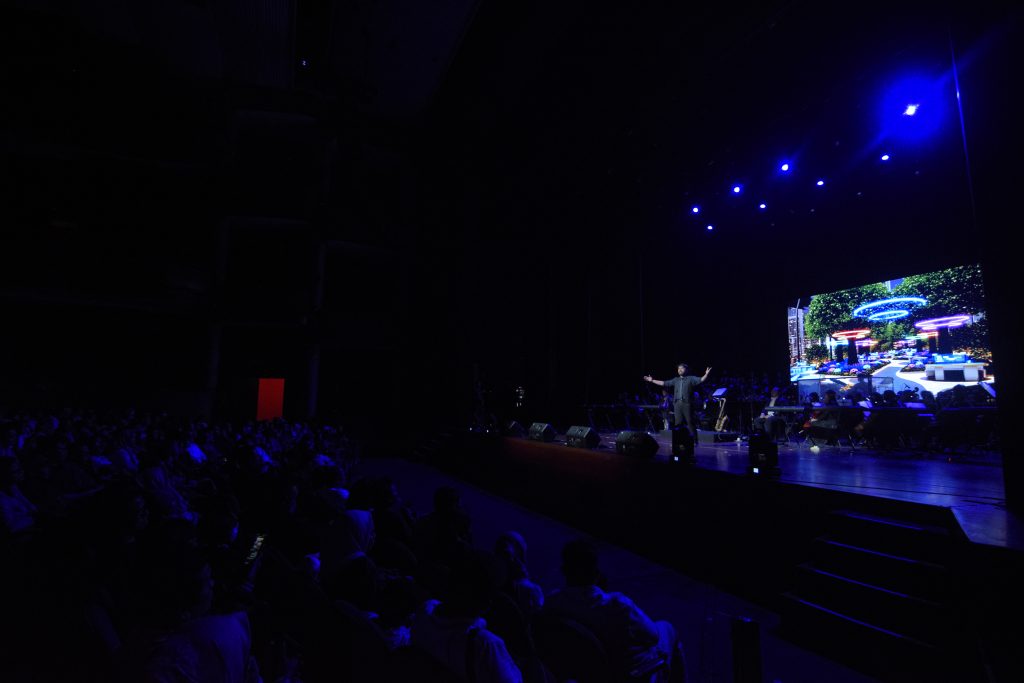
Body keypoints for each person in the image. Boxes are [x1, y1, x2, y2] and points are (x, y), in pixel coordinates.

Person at [543, 539, 685, 683]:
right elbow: (652, 636)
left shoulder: (552, 603)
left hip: (583, 674)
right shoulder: (617, 604)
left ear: (564, 571)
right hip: (626, 674)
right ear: (596, 573)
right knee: (667, 628)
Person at [644, 363, 711, 462]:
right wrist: (652, 380)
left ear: (686, 370)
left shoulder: (690, 379)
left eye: (682, 368)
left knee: (690, 422)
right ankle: (678, 442)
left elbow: (701, 380)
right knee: (678, 423)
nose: (679, 370)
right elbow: (664, 383)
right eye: (678, 368)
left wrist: (706, 374)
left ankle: (695, 440)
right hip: (677, 404)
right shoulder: (675, 380)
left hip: (687, 404)